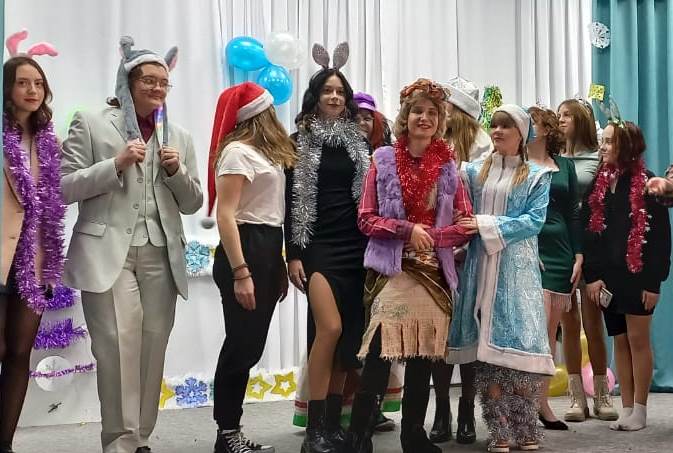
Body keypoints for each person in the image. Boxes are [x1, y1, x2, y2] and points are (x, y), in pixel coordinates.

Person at [60, 37, 203, 453]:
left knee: (153, 345)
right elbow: (64, 186)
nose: (157, 88)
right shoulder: (90, 122)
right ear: (128, 82)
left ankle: (141, 436)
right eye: (148, 80)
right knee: (117, 345)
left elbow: (194, 202)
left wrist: (177, 173)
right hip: (108, 253)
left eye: (164, 82)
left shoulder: (178, 135)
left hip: (161, 252)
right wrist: (116, 164)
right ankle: (120, 442)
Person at [344, 78, 475, 453]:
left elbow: (465, 224)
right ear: (406, 116)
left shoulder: (448, 167)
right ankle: (359, 436)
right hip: (391, 272)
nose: (425, 118)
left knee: (422, 358)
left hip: (433, 275)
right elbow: (366, 219)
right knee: (378, 354)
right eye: (418, 111)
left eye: (432, 113)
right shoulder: (382, 160)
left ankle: (413, 435)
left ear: (440, 121)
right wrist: (406, 230)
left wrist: (432, 236)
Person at [449, 105, 555, 453]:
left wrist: (484, 223)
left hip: (515, 273)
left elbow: (533, 221)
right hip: (480, 268)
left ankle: (526, 427)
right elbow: (460, 211)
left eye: (506, 126)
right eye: (494, 125)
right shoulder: (473, 171)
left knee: (519, 351)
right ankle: (500, 430)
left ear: (521, 134)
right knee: (486, 354)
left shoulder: (537, 176)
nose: (497, 131)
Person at [284, 43, 371, 453]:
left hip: (356, 246)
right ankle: (314, 429)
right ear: (315, 97)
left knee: (347, 339)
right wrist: (293, 254)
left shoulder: (359, 142)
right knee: (329, 328)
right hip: (317, 244)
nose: (334, 97)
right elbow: (289, 200)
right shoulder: (297, 141)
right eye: (327, 91)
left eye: (340, 91)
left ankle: (333, 424)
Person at [202, 82, 295, 453]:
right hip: (245, 247)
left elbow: (271, 213)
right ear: (260, 114)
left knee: (250, 346)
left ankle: (231, 430)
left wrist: (278, 263)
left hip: (267, 246)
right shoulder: (237, 153)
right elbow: (226, 215)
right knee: (241, 346)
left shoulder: (263, 153)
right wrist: (242, 272)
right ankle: (227, 432)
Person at [583, 120, 671, 431]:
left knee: (638, 340)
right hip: (610, 277)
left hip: (639, 276)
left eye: (609, 141)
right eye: (603, 140)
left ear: (626, 147)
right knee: (619, 340)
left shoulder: (647, 183)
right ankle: (628, 407)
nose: (603, 147)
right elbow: (591, 235)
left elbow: (660, 239)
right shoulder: (600, 183)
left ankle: (642, 410)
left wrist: (653, 282)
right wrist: (593, 276)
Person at [0, 39, 62, 453]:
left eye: (38, 83)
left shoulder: (48, 141)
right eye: (23, 82)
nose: (32, 90)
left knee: (20, 353)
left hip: (34, 262)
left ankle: (4, 442)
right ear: (7, 89)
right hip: (0, 256)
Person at [429, 76, 493, 445]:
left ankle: (467, 408)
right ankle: (441, 409)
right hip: (435, 249)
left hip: (471, 251)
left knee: (468, 332)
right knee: (438, 335)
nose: (443, 111)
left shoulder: (483, 148)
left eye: (449, 106)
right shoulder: (435, 143)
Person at [557, 99, 617, 422]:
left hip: (590, 248)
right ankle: (576, 397)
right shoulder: (554, 157)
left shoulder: (596, 156)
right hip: (562, 247)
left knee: (594, 325)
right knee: (569, 325)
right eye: (559, 115)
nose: (561, 119)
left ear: (580, 119)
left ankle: (602, 395)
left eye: (567, 115)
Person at [527, 106, 581, 431]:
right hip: (529, 249)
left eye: (532, 122)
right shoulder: (518, 164)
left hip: (561, 253)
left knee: (549, 332)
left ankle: (542, 401)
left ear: (546, 129)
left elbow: (574, 212)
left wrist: (579, 254)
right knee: (531, 331)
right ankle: (524, 402)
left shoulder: (566, 166)